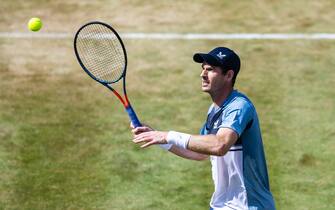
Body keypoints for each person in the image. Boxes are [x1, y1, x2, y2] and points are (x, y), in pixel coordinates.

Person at [131, 47, 276, 210]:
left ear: (229, 75)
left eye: (210, 70)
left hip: (248, 206)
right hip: (222, 206)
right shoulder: (214, 110)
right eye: (203, 69)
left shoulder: (239, 106)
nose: (203, 74)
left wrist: (168, 136)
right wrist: (156, 137)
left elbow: (219, 145)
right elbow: (199, 152)